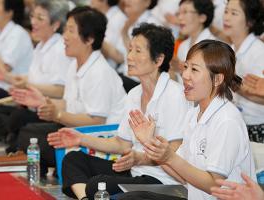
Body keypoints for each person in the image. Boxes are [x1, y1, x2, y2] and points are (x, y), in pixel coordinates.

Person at [47, 23, 189, 200]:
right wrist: (80, 138)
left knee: (97, 184)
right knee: (73, 159)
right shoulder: (134, 94)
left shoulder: (175, 95)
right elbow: (122, 144)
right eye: (130, 49)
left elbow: (174, 153)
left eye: (138, 51)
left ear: (159, 60)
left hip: (162, 180)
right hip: (134, 171)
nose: (129, 56)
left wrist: (140, 157)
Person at [118, 40, 256, 200]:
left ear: (217, 79)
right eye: (185, 67)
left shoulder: (227, 120)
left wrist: (169, 156)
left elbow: (214, 185)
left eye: (194, 70)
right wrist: (150, 143)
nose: (185, 75)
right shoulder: (194, 113)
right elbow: (182, 176)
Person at [9, 6, 126, 176]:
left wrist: (57, 115)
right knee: (29, 131)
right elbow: (68, 103)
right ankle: (54, 167)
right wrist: (41, 101)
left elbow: (96, 121)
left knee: (35, 139)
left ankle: (59, 167)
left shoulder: (100, 72)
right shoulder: (75, 64)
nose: (64, 37)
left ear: (89, 39)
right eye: (65, 30)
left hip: (100, 140)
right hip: (77, 130)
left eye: (71, 31)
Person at [0, 0, 71, 147]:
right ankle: (14, 137)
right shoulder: (40, 45)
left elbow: (61, 90)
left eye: (40, 18)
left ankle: (14, 137)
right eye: (32, 16)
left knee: (18, 117)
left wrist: (27, 85)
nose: (33, 22)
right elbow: (33, 77)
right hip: (31, 107)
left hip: (47, 111)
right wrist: (11, 80)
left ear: (55, 24)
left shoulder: (60, 49)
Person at [223, 0, 264, 143]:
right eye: (226, 11)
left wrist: (229, 80)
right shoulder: (231, 49)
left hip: (256, 128)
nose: (226, 17)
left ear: (250, 21)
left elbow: (261, 96)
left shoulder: (259, 51)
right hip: (237, 122)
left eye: (234, 13)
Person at [170, 0, 215, 82]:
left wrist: (183, 68)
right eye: (178, 13)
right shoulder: (183, 45)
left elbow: (210, 81)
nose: (180, 17)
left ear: (202, 17)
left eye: (185, 12)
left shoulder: (213, 46)